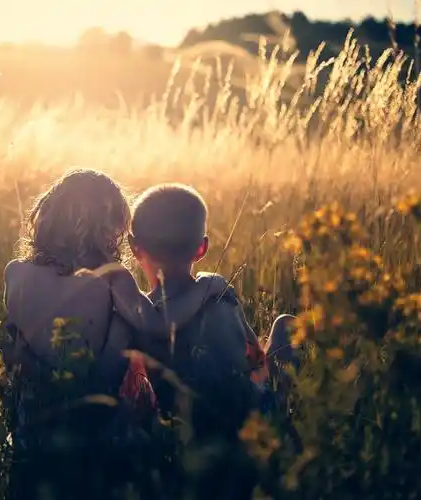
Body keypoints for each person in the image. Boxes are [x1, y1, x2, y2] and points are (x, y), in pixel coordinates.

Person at [1, 169, 230, 500]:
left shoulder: (15, 273)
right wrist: (208, 286)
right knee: (126, 323)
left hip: (31, 429)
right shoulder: (111, 277)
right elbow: (157, 323)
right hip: (95, 421)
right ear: (107, 232)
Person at [126, 183, 297, 499]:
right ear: (201, 249)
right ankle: (292, 417)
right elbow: (256, 356)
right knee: (286, 326)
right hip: (252, 420)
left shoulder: (142, 318)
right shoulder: (220, 294)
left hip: (185, 436)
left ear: (134, 248)